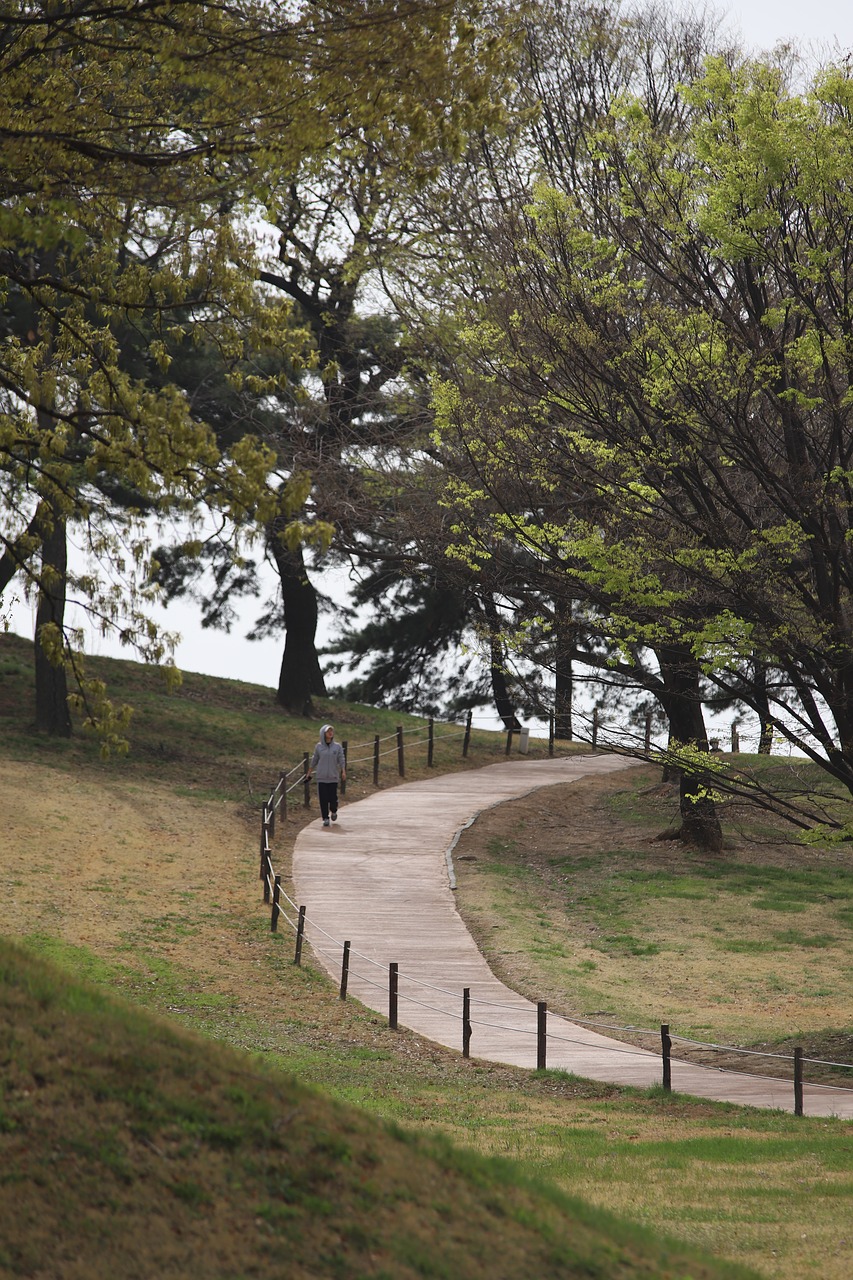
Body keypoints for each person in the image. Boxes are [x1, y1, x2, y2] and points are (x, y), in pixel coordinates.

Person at [307, 723, 346, 828]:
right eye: (328, 731)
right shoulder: (319, 747)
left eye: (331, 731)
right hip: (322, 777)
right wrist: (309, 771)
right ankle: (325, 818)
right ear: (323, 734)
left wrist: (343, 771)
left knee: (333, 798)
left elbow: (341, 759)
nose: (330, 733)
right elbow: (315, 759)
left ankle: (334, 811)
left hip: (333, 777)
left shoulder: (337, 747)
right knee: (323, 799)